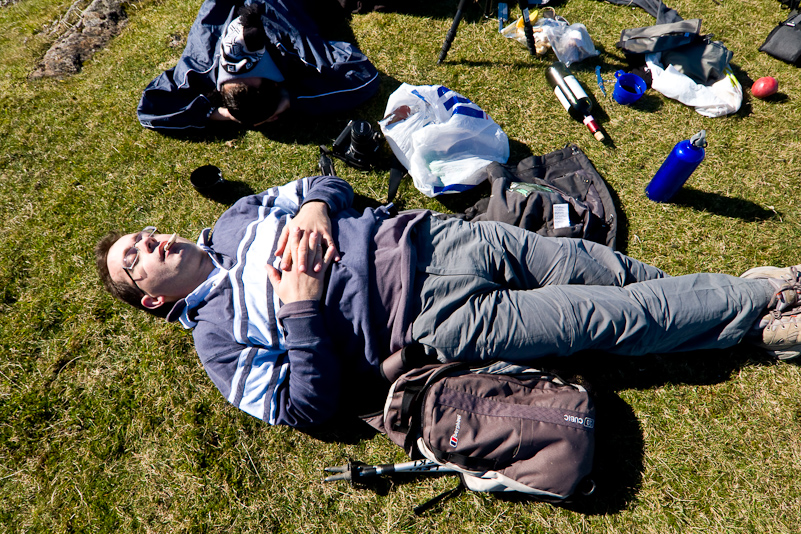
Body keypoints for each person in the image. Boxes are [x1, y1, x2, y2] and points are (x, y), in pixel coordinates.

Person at [95, 175, 801, 428]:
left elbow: (326, 183)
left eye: (142, 234)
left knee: (594, 265)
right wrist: (303, 308)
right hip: (435, 320)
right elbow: (302, 410)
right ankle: (771, 294)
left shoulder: (237, 218)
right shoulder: (217, 344)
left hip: (443, 238)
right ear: (152, 301)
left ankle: (743, 324)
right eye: (135, 258)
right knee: (606, 318)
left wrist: (313, 208)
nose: (149, 243)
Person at [137, 0, 380, 131]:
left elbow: (363, 76)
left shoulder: (288, 44)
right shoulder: (200, 64)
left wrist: (290, 100)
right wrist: (223, 114)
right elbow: (151, 108)